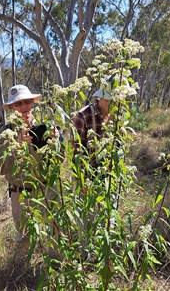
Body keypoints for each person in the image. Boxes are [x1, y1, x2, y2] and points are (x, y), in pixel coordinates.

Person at [0, 85, 61, 261]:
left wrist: (57, 143)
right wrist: (15, 146)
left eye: (27, 101)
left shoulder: (44, 128)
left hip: (46, 189)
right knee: (23, 234)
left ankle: (56, 266)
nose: (24, 106)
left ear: (33, 102)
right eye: (18, 103)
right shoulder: (4, 133)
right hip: (20, 192)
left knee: (55, 229)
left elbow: (58, 161)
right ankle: (22, 271)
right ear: (11, 107)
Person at [72, 84, 114, 260]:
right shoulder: (83, 115)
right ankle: (85, 256)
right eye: (114, 100)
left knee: (108, 215)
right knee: (86, 217)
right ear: (103, 99)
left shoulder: (117, 115)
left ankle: (105, 252)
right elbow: (75, 151)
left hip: (109, 175)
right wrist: (82, 181)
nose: (118, 104)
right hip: (87, 175)